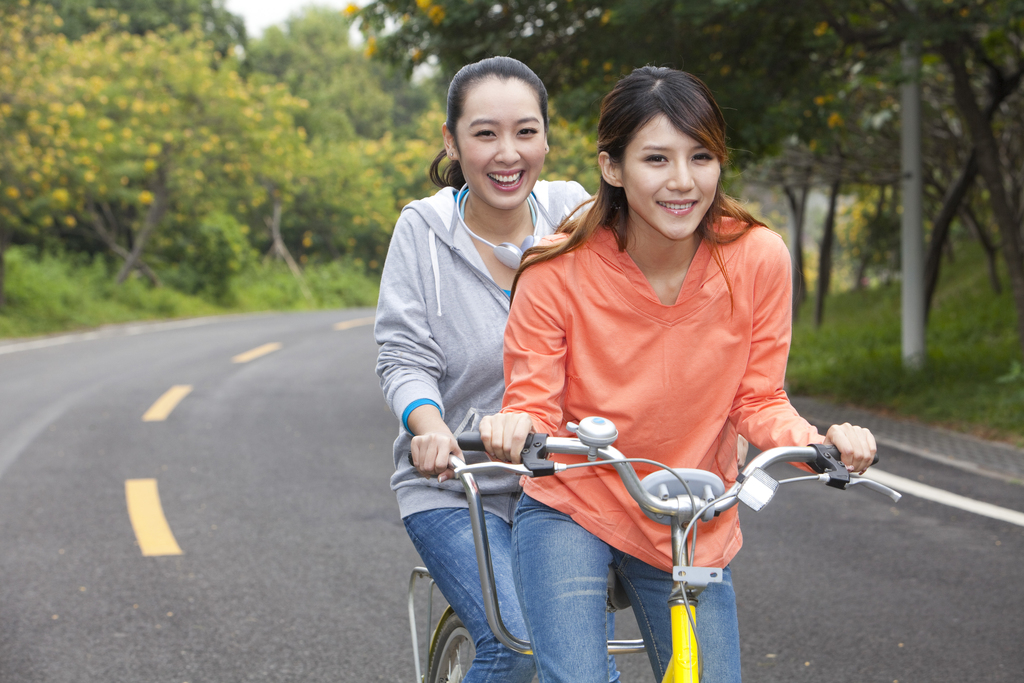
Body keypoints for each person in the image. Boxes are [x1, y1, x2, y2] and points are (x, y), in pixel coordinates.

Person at [479, 67, 877, 683]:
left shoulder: (757, 257)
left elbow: (758, 397)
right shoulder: (555, 269)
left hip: (685, 511)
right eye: (657, 159)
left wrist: (821, 444)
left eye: (702, 156)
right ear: (613, 168)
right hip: (573, 503)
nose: (683, 182)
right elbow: (532, 404)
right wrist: (514, 424)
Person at [374, 56, 619, 682]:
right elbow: (404, 356)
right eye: (485, 133)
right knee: (517, 645)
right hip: (457, 481)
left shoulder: (577, 217)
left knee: (584, 663)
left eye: (525, 131)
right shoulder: (422, 232)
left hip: (562, 482)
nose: (507, 153)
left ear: (546, 138)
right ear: (452, 141)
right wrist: (429, 429)